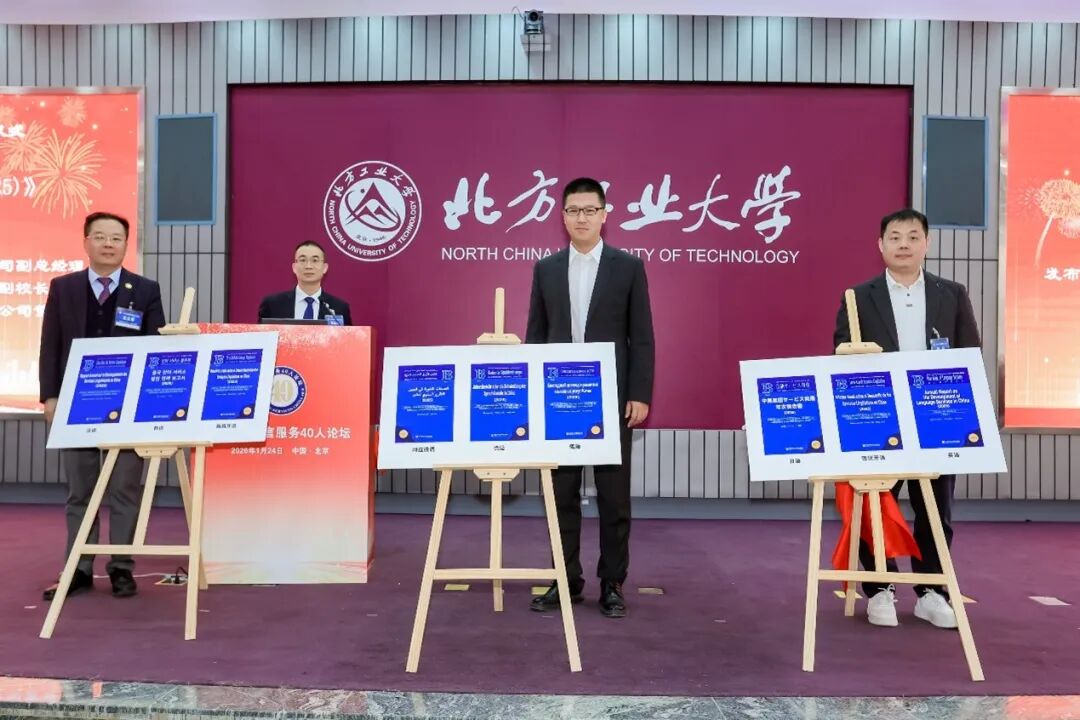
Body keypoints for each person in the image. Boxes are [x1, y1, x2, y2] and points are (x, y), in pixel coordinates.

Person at [833, 208, 981, 629]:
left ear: (926, 243)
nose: (904, 244)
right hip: (880, 418)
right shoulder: (858, 296)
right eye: (895, 237)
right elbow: (841, 352)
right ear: (880, 245)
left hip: (937, 416)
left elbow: (969, 354)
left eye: (913, 237)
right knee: (874, 505)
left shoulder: (952, 293)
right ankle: (880, 588)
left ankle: (932, 592)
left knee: (935, 508)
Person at [525, 177, 655, 619]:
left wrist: (639, 393)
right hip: (559, 401)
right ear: (562, 217)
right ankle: (565, 579)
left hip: (612, 399)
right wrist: (534, 394)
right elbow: (536, 336)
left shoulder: (628, 267)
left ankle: (612, 583)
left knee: (614, 498)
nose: (581, 218)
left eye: (589, 210)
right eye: (573, 210)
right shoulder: (546, 269)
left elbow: (642, 337)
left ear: (604, 214)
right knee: (559, 494)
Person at [39, 211, 166, 600]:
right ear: (86, 242)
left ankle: (121, 567)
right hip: (76, 405)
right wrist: (50, 396)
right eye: (100, 236)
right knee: (80, 491)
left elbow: (157, 348)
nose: (108, 244)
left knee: (125, 489)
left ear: (126, 244)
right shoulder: (64, 287)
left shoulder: (144, 290)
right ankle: (77, 568)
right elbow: (50, 345)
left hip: (128, 408)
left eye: (116, 238)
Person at [257, 240, 352, 325]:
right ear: (294, 267)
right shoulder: (272, 305)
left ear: (325, 268)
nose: (308, 266)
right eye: (303, 260)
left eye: (315, 260)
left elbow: (348, 338)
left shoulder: (339, 308)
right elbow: (263, 337)